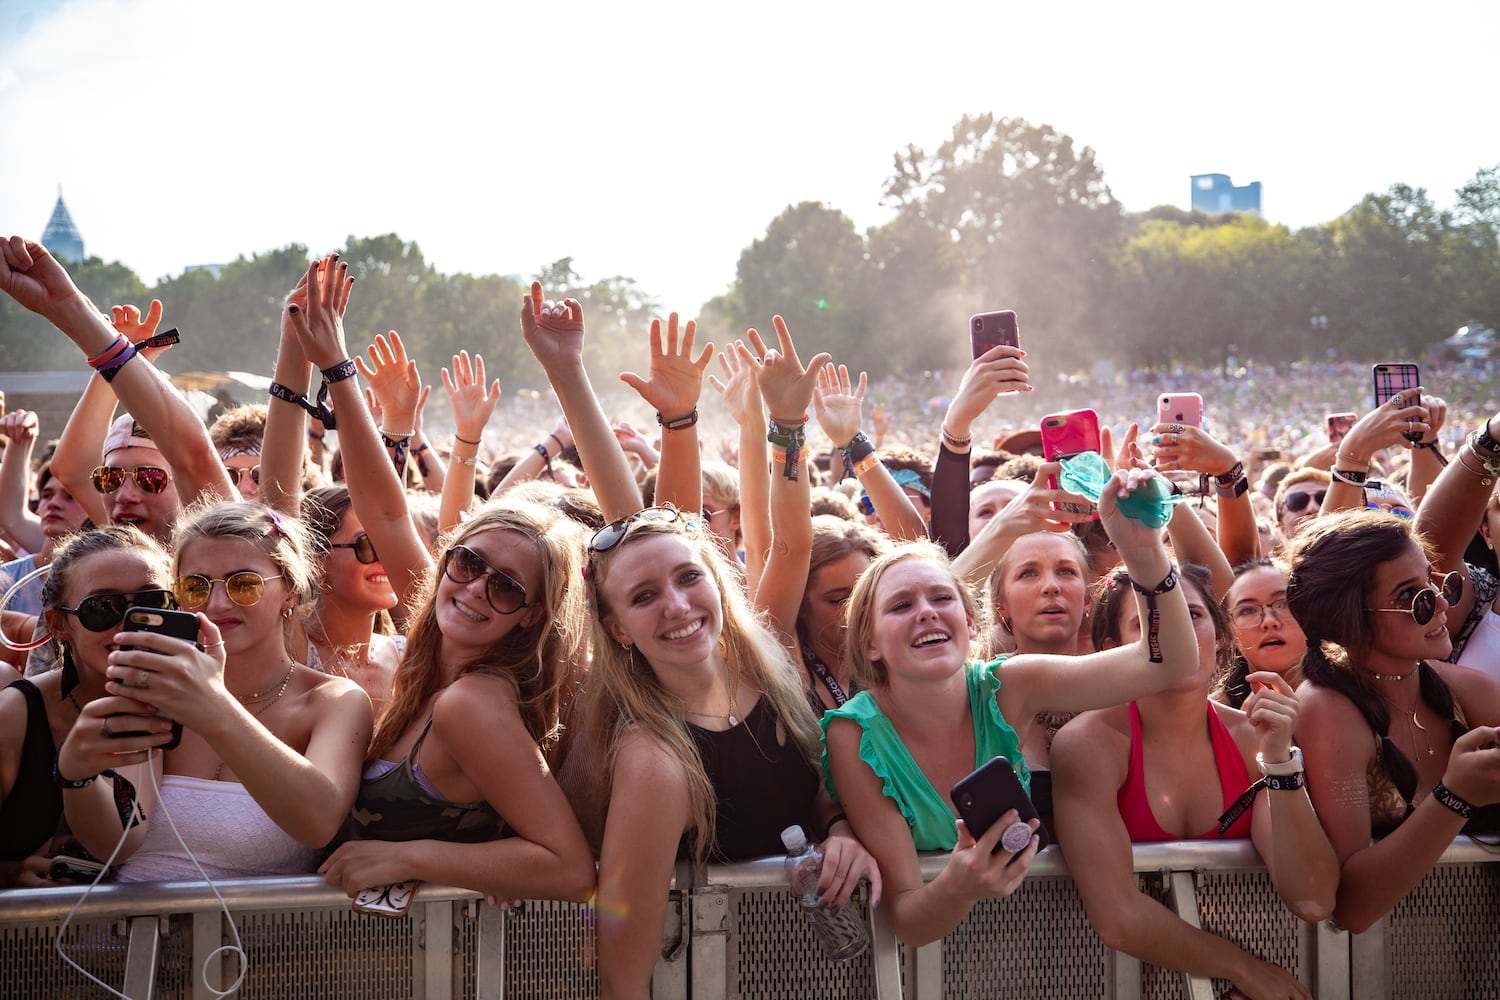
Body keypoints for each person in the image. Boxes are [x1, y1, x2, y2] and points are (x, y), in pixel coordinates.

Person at [823, 465, 1200, 946]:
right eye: (900, 606)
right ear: (870, 642)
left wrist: (1144, 550)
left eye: (941, 597)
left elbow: (1166, 665)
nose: (926, 612)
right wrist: (959, 887)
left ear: (970, 623)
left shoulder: (1010, 684)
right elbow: (909, 918)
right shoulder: (855, 735)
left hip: (1050, 950)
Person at [564, 505, 879, 998]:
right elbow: (623, 980)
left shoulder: (767, 676)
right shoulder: (654, 763)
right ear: (617, 629)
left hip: (812, 969)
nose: (676, 605)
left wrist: (839, 831)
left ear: (715, 578)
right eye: (644, 596)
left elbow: (809, 792)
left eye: (688, 576)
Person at [1052, 563, 1334, 1000]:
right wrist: (1243, 968)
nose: (1180, 636)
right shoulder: (1089, 744)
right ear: (1115, 648)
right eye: (1153, 621)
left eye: (1193, 616)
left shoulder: (1251, 739)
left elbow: (1313, 898)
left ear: (1221, 636)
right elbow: (1118, 917)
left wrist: (1280, 763)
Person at [56, 501, 373, 880]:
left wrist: (214, 707)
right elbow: (119, 840)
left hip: (267, 937)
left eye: (244, 584)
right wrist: (77, 777)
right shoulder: (157, 688)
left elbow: (318, 821)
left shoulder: (334, 701)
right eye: (195, 586)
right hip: (130, 932)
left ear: (289, 591)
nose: (217, 603)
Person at [1288, 510, 1500, 932]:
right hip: (1376, 965)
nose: (1441, 602)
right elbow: (1349, 907)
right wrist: (1455, 797)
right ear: (1349, 615)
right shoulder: (1326, 711)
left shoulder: (1465, 690)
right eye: (1411, 596)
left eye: (1436, 582)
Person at [1, 526, 174, 885]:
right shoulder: (14, 717)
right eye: (101, 608)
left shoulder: (191, 707)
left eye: (151, 602)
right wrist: (9, 875)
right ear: (59, 624)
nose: (129, 624)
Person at [1216, 560, 1307, 708]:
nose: (1269, 622)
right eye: (1247, 610)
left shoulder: (1348, 687)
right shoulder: (1215, 714)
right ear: (1228, 632)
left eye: (1283, 604)